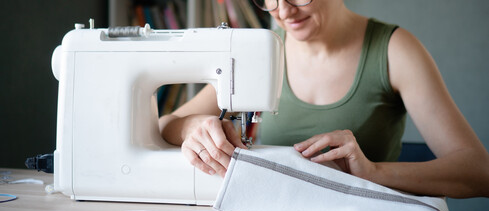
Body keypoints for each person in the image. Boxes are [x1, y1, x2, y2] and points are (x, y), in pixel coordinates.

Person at [159, 0, 489, 198]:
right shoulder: (262, 51)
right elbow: (165, 124)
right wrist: (194, 127)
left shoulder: (395, 50)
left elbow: (478, 172)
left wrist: (373, 172)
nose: (283, 11)